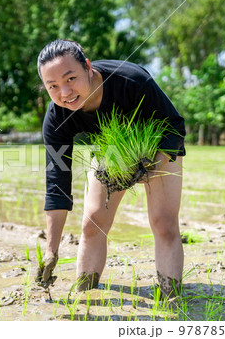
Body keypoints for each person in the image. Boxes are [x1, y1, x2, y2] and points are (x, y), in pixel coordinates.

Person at [35, 39, 186, 297]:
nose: (65, 92)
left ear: (88, 67)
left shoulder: (132, 80)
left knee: (163, 222)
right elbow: (57, 183)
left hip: (160, 145)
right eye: (53, 86)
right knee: (93, 222)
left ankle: (170, 298)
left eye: (70, 78)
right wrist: (51, 250)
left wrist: (151, 168)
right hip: (111, 150)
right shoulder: (57, 117)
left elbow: (174, 126)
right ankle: (85, 296)